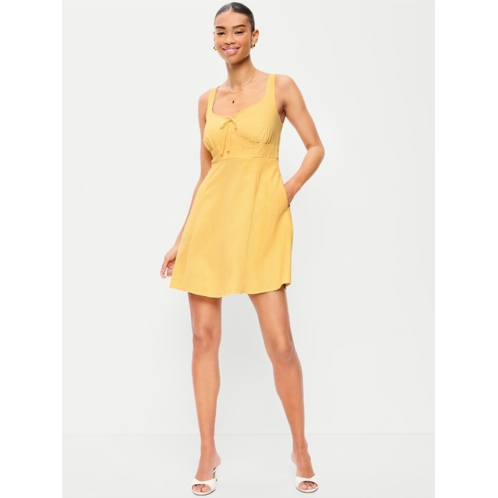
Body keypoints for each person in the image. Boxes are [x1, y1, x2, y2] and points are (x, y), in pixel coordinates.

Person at [160, 2, 325, 495]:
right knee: (202, 340)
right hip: (209, 226)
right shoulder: (205, 101)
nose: (229, 39)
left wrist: (287, 190)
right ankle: (207, 451)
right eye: (220, 32)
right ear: (213, 40)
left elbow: (315, 147)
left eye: (238, 30)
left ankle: (300, 446)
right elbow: (206, 175)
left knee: (281, 345)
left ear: (254, 36)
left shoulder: (281, 87)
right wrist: (181, 238)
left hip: (261, 222)